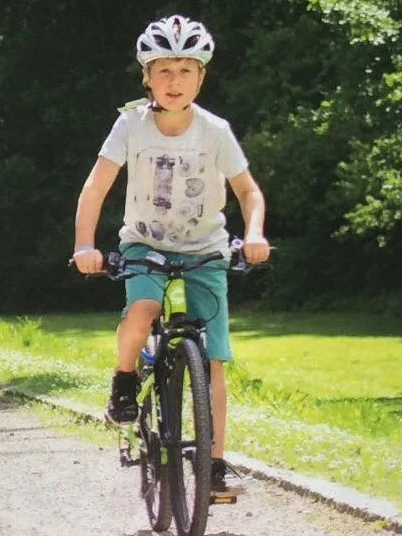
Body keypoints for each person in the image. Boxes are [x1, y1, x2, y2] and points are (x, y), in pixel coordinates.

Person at [73, 15, 270, 497]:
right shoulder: (131, 126)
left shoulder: (215, 131)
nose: (174, 81)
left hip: (205, 249)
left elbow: (248, 192)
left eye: (186, 70)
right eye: (164, 70)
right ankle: (123, 381)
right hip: (146, 245)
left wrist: (255, 233)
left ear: (202, 76)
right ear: (147, 77)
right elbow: (96, 187)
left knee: (214, 361)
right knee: (141, 310)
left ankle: (217, 463)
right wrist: (85, 245)